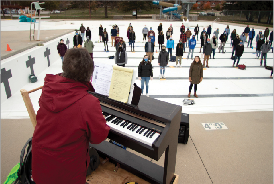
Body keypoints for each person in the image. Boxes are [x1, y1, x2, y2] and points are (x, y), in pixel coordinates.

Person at [32, 48, 110, 184]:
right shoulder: (87, 103)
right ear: (89, 75)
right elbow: (99, 137)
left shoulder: (48, 89)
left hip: (39, 168)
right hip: (67, 175)